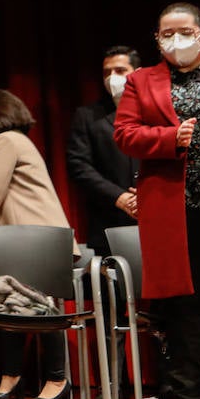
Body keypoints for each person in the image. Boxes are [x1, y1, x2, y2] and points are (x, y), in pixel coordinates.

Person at [114, 1, 200, 399]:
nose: (177, 40)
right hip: (176, 216)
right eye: (166, 34)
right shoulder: (141, 80)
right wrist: (169, 138)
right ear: (157, 39)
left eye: (184, 31)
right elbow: (124, 134)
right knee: (186, 314)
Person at [0, 89, 72, 399]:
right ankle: (11, 376)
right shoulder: (19, 140)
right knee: (11, 303)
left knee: (42, 306)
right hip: (29, 235)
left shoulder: (5, 140)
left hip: (36, 237)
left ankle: (57, 378)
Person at [66, 46, 141, 257]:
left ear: (136, 72)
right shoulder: (87, 115)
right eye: (107, 72)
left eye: (119, 70)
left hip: (158, 216)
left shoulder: (154, 109)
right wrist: (120, 197)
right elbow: (78, 166)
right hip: (109, 220)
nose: (112, 77)